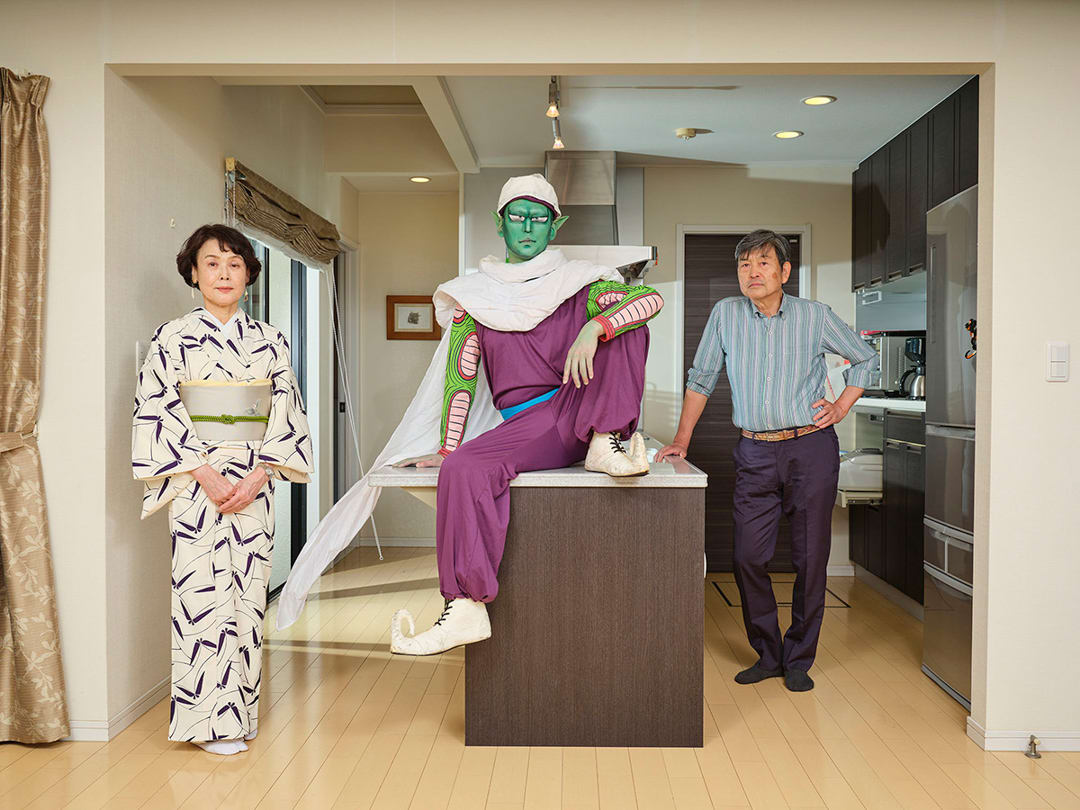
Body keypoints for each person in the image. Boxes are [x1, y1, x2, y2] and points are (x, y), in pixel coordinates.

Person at [275, 174, 663, 654]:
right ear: (500, 225)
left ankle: (606, 440)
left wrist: (595, 328)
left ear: (554, 226)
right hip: (529, 422)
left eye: (539, 218)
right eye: (517, 217)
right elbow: (461, 381)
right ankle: (464, 607)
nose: (528, 226)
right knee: (461, 469)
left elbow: (649, 301)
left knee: (628, 326)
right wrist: (446, 448)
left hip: (577, 403)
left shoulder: (583, 283)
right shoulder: (474, 298)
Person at [657, 230, 876, 693]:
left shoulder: (815, 317)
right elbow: (702, 377)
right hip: (754, 450)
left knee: (810, 556)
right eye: (744, 265)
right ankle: (768, 652)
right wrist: (681, 440)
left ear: (784, 272)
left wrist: (840, 407)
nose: (752, 273)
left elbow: (864, 358)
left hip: (810, 449)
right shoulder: (725, 315)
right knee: (747, 556)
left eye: (762, 263)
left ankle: (798, 658)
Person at [132, 224, 312, 755]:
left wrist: (259, 476)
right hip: (194, 485)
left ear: (249, 276)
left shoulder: (271, 341)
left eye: (235, 264)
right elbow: (155, 409)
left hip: (255, 484)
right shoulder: (172, 337)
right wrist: (204, 473)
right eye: (212, 263)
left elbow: (289, 416)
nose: (224, 273)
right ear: (194, 272)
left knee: (248, 599)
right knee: (200, 601)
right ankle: (207, 724)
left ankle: (239, 712)